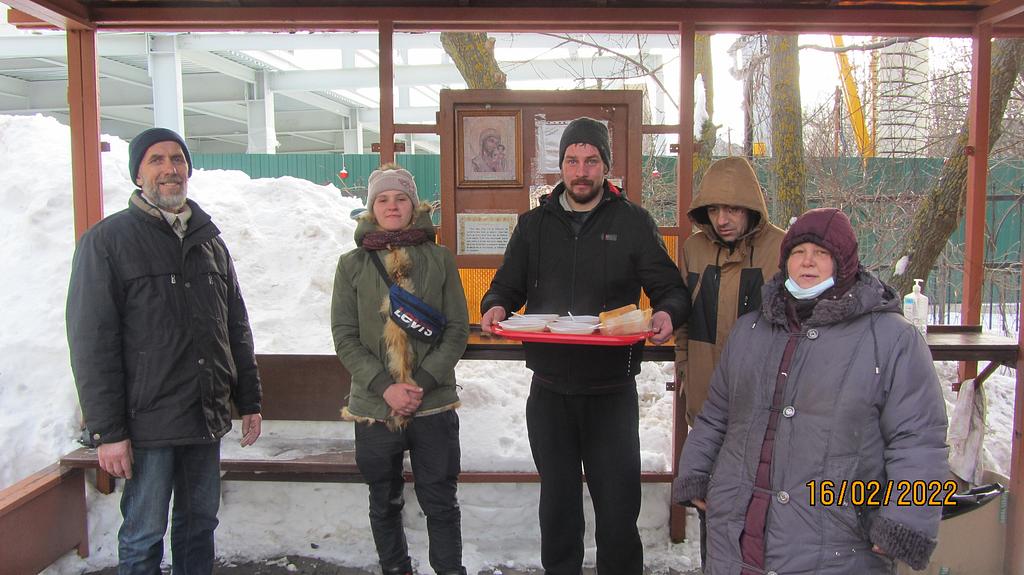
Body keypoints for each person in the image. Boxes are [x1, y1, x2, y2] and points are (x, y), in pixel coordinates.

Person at [673, 208, 948, 574]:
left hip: (838, 537)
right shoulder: (750, 330)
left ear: (845, 263)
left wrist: (906, 521)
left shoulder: (892, 339)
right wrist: (696, 473)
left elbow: (920, 440)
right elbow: (716, 415)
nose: (807, 262)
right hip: (737, 532)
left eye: (821, 253)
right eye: (799, 252)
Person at [480, 117, 690, 574]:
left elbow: (670, 288)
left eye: (591, 161)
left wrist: (667, 313)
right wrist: (495, 305)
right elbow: (505, 286)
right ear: (561, 167)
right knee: (558, 509)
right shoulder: (533, 225)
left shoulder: (633, 222)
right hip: (550, 391)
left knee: (617, 511)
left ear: (606, 167)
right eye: (572, 161)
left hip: (611, 393)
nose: (581, 171)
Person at [66, 127, 263, 574]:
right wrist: (108, 431)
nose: (170, 169)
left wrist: (249, 399)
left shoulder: (209, 241)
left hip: (203, 417)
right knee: (143, 535)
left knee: (199, 527)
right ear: (138, 174)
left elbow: (235, 326)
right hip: (146, 424)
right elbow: (92, 344)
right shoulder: (107, 242)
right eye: (156, 160)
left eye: (177, 159)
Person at [332, 164, 470, 575]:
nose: (392, 206)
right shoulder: (352, 264)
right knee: (384, 502)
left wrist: (420, 383)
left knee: (440, 502)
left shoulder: (440, 259)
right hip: (375, 407)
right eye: (383, 199)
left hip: (433, 403)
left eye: (401, 198)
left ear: (414, 205)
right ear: (372, 207)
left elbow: (457, 328)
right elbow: (345, 335)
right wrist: (385, 386)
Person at [673, 156, 785, 566]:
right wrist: (685, 368)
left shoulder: (781, 248)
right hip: (707, 404)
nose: (722, 219)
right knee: (711, 504)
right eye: (715, 209)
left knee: (763, 510)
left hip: (765, 406)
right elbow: (684, 319)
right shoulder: (694, 249)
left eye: (733, 208)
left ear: (752, 208)